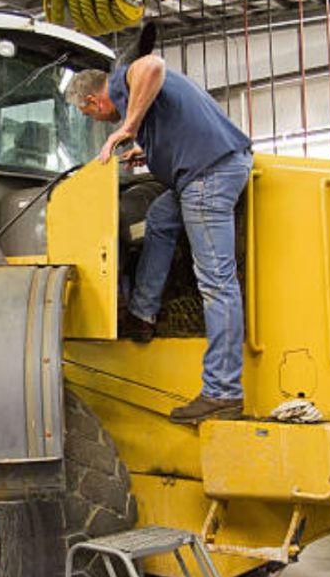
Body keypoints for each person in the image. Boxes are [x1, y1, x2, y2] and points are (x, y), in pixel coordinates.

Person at [66, 55, 253, 425]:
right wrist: (147, 150)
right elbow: (180, 126)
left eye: (90, 116)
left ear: (93, 102)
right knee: (160, 218)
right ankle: (142, 312)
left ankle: (222, 392)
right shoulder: (140, 98)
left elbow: (152, 65)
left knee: (217, 283)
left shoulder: (125, 82)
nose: (98, 120)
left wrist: (127, 128)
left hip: (207, 177)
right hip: (205, 172)